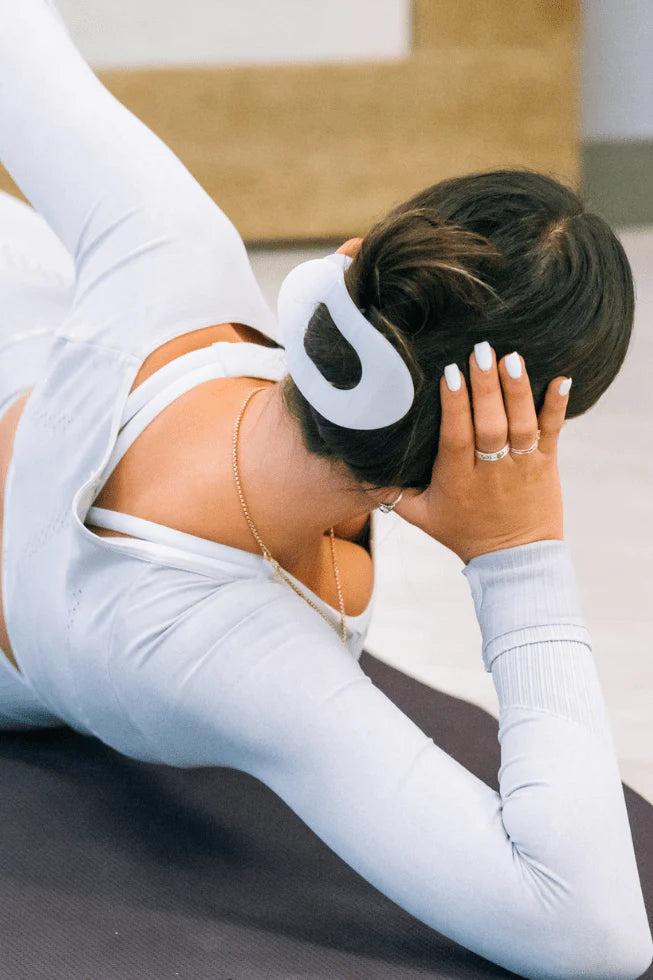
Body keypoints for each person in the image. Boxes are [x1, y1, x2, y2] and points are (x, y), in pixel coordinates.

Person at [0, 3, 651, 977]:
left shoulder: (175, 257)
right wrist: (517, 556)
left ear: (361, 254)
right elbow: (588, 931)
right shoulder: (236, 655)